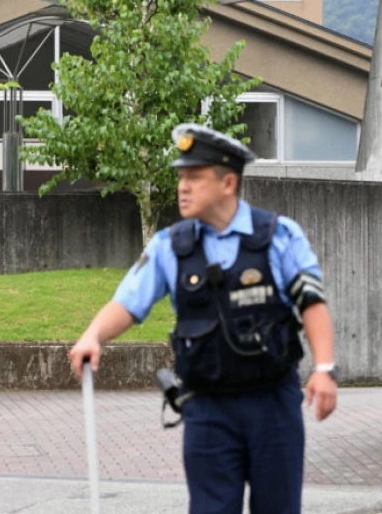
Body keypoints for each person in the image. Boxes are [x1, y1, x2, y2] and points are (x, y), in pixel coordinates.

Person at [68, 123, 338, 514]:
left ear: (228, 183)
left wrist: (324, 369)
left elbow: (312, 304)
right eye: (181, 177)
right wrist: (94, 335)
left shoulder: (279, 236)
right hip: (208, 409)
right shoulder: (170, 246)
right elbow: (127, 303)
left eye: (194, 178)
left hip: (273, 405)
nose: (183, 186)